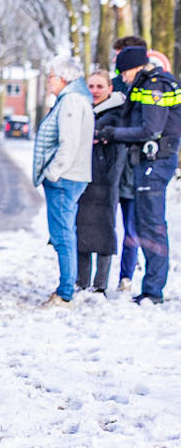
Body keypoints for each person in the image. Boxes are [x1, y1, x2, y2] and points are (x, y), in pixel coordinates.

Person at [99, 40, 180, 303]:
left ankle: (153, 291)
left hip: (155, 162)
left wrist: (114, 134)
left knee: (151, 225)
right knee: (147, 224)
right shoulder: (149, 83)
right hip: (150, 162)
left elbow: (151, 130)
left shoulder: (154, 86)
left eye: (125, 72)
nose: (123, 77)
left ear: (135, 68)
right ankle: (151, 288)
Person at [31, 57, 94, 306]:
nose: (48, 81)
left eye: (51, 76)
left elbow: (69, 143)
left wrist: (53, 173)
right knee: (66, 232)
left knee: (62, 234)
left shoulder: (70, 101)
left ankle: (66, 290)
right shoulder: (78, 99)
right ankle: (67, 286)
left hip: (65, 178)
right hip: (73, 177)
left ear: (63, 78)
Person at [76, 71, 128, 293]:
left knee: (106, 230)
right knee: (82, 230)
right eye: (91, 86)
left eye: (100, 86)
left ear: (109, 89)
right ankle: (81, 281)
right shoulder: (82, 109)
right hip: (83, 176)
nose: (95, 91)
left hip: (106, 178)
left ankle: (100, 285)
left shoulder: (118, 113)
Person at [112, 36, 147, 289]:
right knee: (103, 223)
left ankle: (126, 276)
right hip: (112, 165)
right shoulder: (112, 85)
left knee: (132, 227)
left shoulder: (149, 87)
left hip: (134, 167)